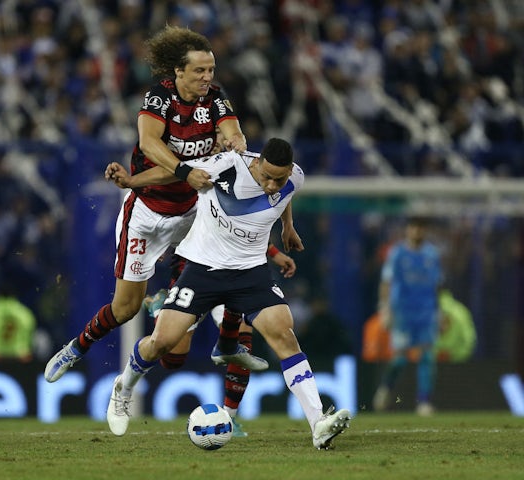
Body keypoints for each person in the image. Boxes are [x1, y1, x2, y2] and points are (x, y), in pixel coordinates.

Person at [44, 25, 262, 382]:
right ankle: (76, 348)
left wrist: (234, 141)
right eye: (199, 71)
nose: (207, 77)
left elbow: (233, 129)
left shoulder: (216, 98)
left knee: (174, 356)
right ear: (178, 72)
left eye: (211, 70)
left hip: (193, 215)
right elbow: (148, 145)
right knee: (125, 307)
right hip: (147, 212)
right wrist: (184, 169)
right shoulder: (159, 98)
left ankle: (185, 310)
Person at [105, 138, 351, 450]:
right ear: (258, 163)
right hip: (203, 269)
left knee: (284, 335)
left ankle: (318, 423)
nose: (273, 184)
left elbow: (285, 196)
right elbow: (173, 172)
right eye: (267, 177)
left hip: (251, 273)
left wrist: (288, 227)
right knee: (163, 343)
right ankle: (123, 387)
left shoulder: (295, 178)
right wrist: (131, 180)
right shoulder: (226, 165)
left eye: (281, 177)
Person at [143, 243, 298, 437]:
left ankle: (229, 417)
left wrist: (274, 253)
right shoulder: (197, 212)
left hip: (234, 274)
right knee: (172, 359)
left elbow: (248, 226)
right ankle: (160, 308)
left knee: (242, 340)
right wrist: (155, 245)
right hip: (195, 275)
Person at [373, 216, 443, 416]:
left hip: (426, 311)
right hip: (402, 311)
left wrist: (439, 311)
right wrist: (385, 309)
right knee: (400, 359)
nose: (417, 231)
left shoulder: (432, 254)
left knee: (427, 356)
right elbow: (387, 282)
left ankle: (424, 401)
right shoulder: (397, 253)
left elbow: (437, 285)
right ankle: (386, 387)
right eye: (414, 227)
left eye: (421, 228)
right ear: (408, 230)